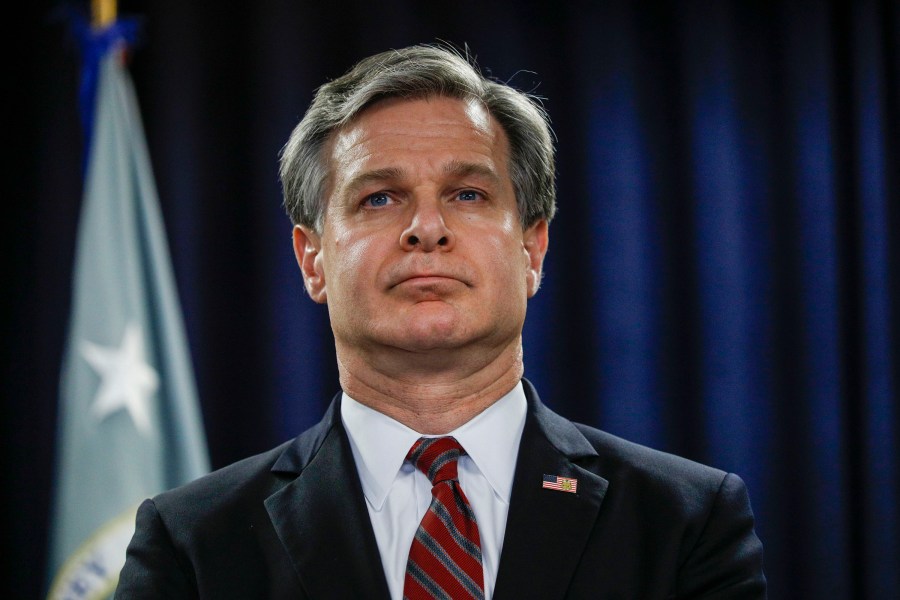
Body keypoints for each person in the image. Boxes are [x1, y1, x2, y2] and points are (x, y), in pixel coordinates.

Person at [115, 44, 766, 599]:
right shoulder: (192, 544)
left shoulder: (685, 523)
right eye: (379, 197)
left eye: (467, 194)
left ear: (532, 249)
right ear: (312, 259)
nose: (426, 228)